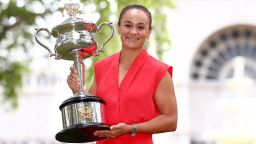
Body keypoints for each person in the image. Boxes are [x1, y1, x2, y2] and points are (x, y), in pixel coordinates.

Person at [67, 4, 177, 144]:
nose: (133, 32)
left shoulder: (159, 72)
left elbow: (171, 120)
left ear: (149, 32)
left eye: (141, 27)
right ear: (119, 28)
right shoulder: (102, 67)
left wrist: (132, 128)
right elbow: (89, 114)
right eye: (128, 25)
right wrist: (78, 91)